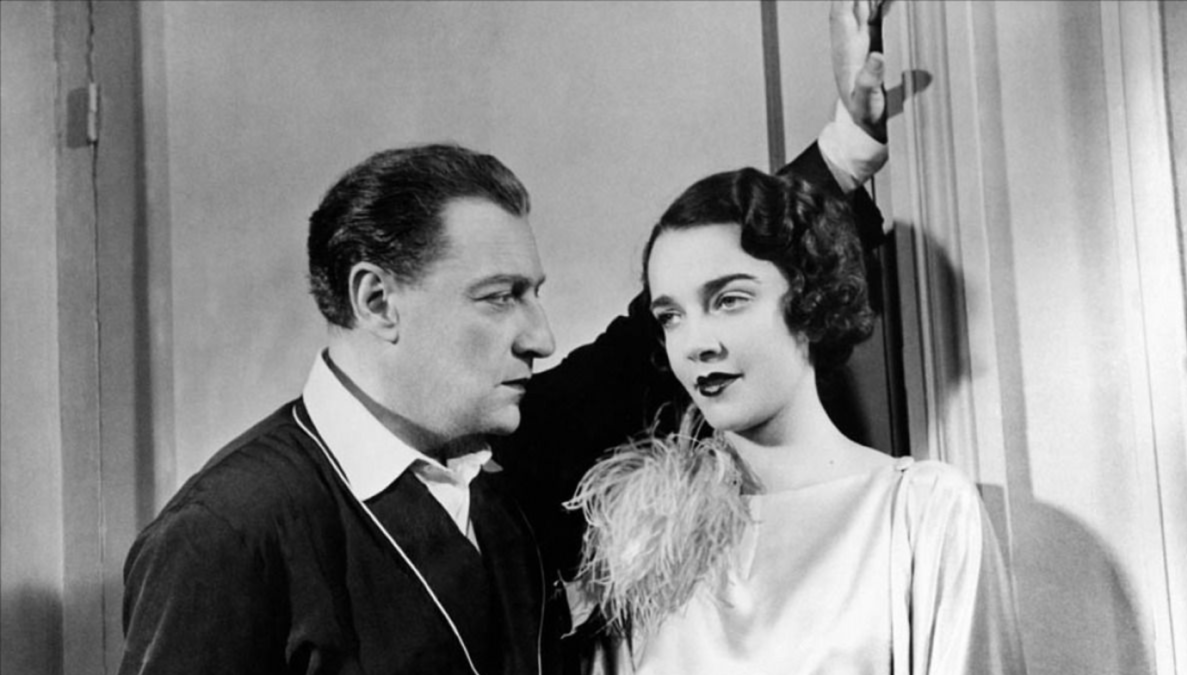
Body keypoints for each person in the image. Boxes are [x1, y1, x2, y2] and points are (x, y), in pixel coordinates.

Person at [118, 3, 889, 673]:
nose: (540, 336)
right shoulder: (225, 534)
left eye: (536, 294)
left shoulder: (510, 456)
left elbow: (648, 345)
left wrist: (844, 152)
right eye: (500, 297)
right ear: (377, 300)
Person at [566, 170, 1025, 673]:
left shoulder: (921, 512)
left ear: (809, 301)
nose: (696, 343)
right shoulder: (644, 539)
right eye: (671, 316)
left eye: (729, 300)